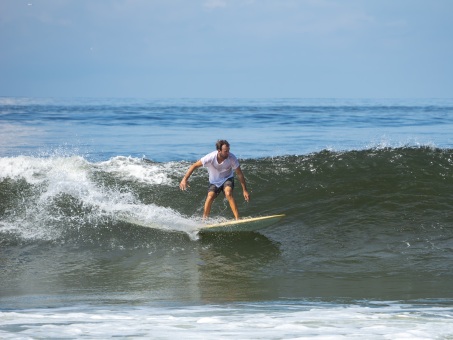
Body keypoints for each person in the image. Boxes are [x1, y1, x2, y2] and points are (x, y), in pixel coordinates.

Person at [179, 140, 250, 220]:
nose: (228, 153)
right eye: (226, 151)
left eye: (229, 150)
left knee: (228, 192)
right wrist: (185, 179)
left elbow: (239, 173)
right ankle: (204, 221)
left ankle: (238, 219)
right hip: (214, 181)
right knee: (210, 196)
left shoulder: (231, 158)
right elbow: (194, 165)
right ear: (219, 151)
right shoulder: (210, 157)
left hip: (227, 178)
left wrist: (245, 190)